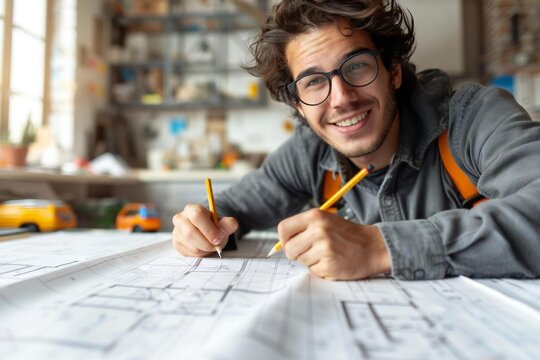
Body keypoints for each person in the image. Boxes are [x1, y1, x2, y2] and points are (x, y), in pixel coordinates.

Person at [172, 0, 540, 281]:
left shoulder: (474, 117)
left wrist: (380, 248)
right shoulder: (308, 152)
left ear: (393, 71)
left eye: (357, 66)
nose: (342, 98)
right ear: (299, 105)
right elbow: (230, 211)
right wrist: (201, 227)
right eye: (314, 81)